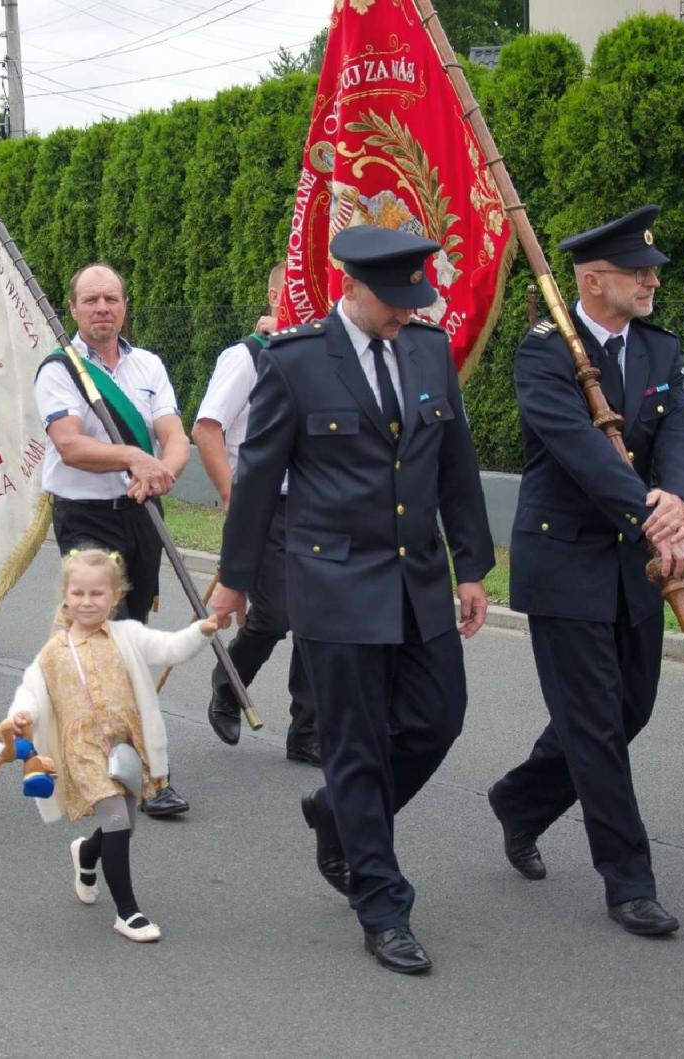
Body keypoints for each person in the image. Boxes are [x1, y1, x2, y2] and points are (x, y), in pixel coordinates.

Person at [213, 226, 494, 975]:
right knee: (358, 745)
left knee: (439, 719)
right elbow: (257, 477)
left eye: (414, 299)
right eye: (394, 300)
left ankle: (336, 811)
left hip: (419, 580)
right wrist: (234, 579)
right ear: (354, 289)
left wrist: (472, 566)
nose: (407, 313)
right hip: (335, 584)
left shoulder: (428, 348)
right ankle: (382, 901)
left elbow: (455, 464)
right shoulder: (297, 361)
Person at [486, 205, 684, 938]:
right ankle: (629, 880)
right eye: (638, 272)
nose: (652, 280)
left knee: (627, 710)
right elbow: (579, 451)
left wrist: (676, 501)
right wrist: (650, 511)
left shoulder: (658, 347)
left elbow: (679, 430)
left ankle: (521, 799)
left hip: (632, 561)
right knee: (595, 725)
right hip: (566, 561)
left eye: (652, 270)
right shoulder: (546, 352)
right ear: (591, 277)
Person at [33, 262, 193, 820]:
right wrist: (131, 455)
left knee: (132, 639)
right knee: (109, 639)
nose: (103, 308)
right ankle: (144, 772)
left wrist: (159, 472)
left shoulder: (148, 365)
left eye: (112, 298)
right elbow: (71, 446)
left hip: (139, 510)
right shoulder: (59, 370)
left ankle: (117, 750)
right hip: (85, 518)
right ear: (73, 308)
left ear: (125, 305)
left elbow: (174, 437)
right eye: (91, 299)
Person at [3, 549, 218, 942]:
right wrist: (21, 716)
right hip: (81, 751)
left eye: (97, 594)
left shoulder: (128, 636)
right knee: (117, 818)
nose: (87, 602)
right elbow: (30, 691)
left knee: (123, 822)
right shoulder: (54, 652)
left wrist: (201, 632)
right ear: (65, 596)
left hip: (124, 745)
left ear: (116, 596)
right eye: (79, 593)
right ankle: (128, 912)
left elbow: (169, 648)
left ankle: (86, 853)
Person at [194, 262, 319, 764]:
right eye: (290, 294)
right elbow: (207, 429)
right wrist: (234, 499)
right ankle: (228, 684)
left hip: (316, 504)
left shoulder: (318, 357)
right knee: (274, 614)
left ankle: (308, 732)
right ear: (271, 297)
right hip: (263, 501)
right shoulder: (247, 357)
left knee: (319, 618)